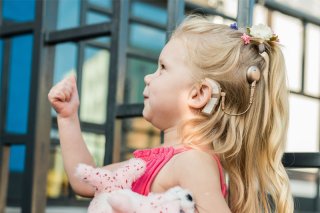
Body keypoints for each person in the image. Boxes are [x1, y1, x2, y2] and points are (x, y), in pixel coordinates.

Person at [48, 15, 294, 213]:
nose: (148, 76)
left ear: (198, 94)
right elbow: (86, 181)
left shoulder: (193, 162)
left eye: (162, 68)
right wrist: (68, 117)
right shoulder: (149, 161)